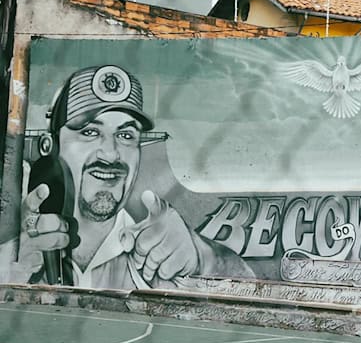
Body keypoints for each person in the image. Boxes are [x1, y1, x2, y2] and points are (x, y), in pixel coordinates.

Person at [3, 65, 254, 289]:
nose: (111, 154)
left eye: (126, 136)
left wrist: (204, 260)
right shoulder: (14, 256)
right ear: (50, 146)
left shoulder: (157, 256)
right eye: (90, 132)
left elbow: (249, 292)